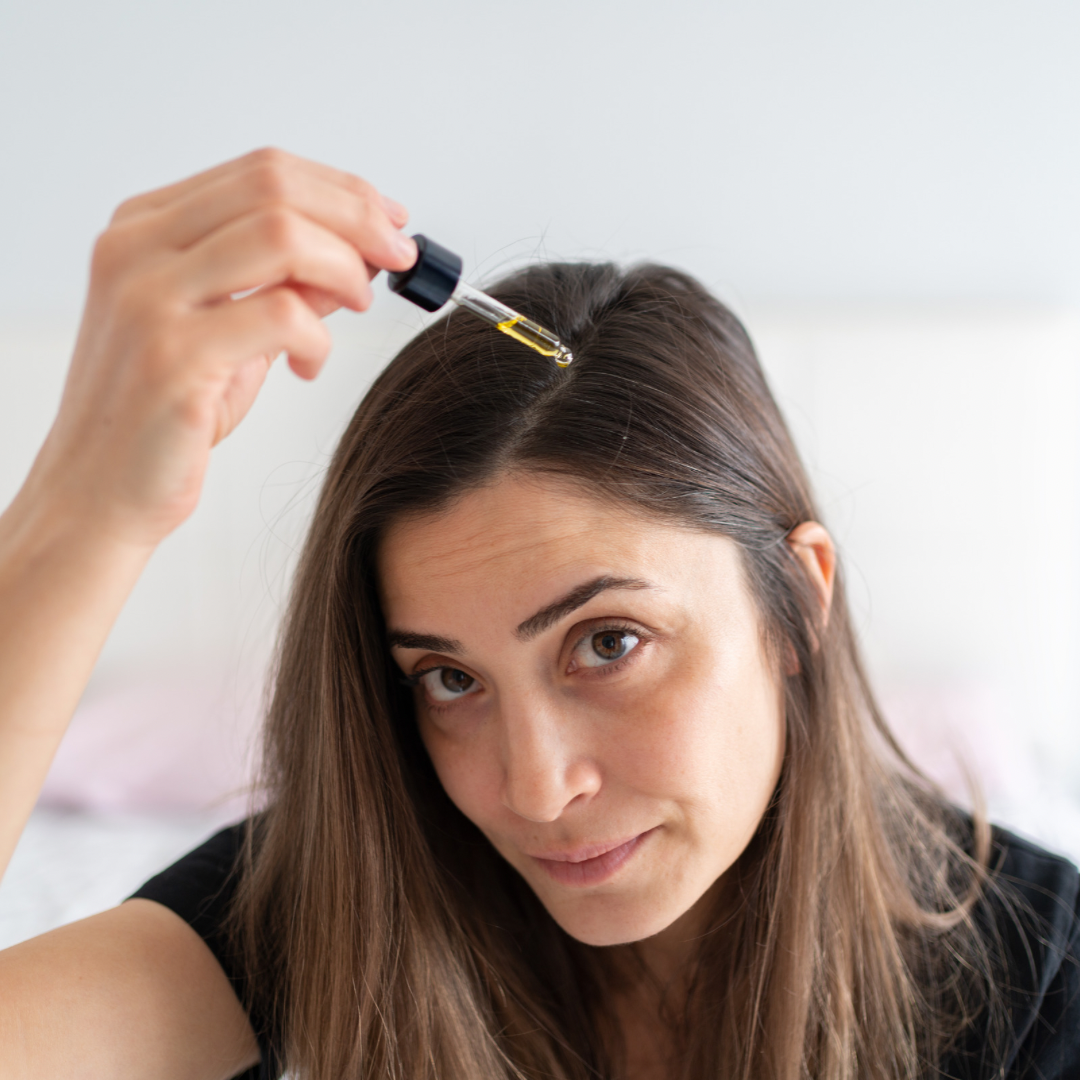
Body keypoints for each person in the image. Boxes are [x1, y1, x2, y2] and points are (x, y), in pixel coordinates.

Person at [0, 150, 1076, 1080]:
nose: (534, 786)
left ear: (796, 605)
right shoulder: (337, 896)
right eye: (450, 680)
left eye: (609, 645)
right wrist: (82, 514)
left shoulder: (1041, 982)